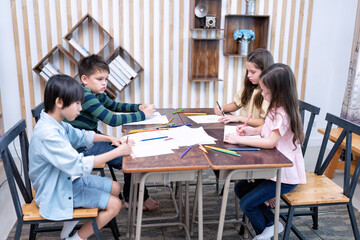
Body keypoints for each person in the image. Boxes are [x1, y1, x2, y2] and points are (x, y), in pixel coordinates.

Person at [29, 75, 133, 240]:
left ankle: (69, 225)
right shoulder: (48, 134)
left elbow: (80, 135)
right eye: (77, 103)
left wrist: (110, 139)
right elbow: (78, 165)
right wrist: (118, 152)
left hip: (65, 179)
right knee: (115, 204)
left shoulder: (55, 122)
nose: (80, 108)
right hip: (56, 191)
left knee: (115, 188)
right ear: (59, 102)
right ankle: (76, 238)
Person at [224, 63, 306, 240]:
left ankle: (266, 232)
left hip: (284, 174)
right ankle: (272, 224)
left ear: (280, 92)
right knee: (241, 188)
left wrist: (239, 139)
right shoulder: (275, 107)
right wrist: (250, 131)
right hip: (273, 168)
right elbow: (266, 131)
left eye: (266, 92)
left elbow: (270, 142)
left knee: (247, 204)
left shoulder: (283, 113)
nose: (262, 94)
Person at [68, 54, 160, 211]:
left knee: (131, 151)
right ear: (85, 79)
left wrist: (138, 107)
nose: (104, 83)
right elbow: (112, 119)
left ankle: (137, 196)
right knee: (131, 157)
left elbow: (114, 106)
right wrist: (143, 115)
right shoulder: (86, 96)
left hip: (90, 140)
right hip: (82, 147)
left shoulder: (96, 94)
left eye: (106, 79)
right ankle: (132, 199)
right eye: (99, 79)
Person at [214, 48, 274, 127]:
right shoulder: (250, 87)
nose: (248, 75)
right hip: (244, 130)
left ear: (265, 71)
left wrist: (239, 118)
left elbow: (264, 122)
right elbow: (237, 103)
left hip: (257, 134)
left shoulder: (268, 94)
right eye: (247, 71)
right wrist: (222, 108)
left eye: (253, 72)